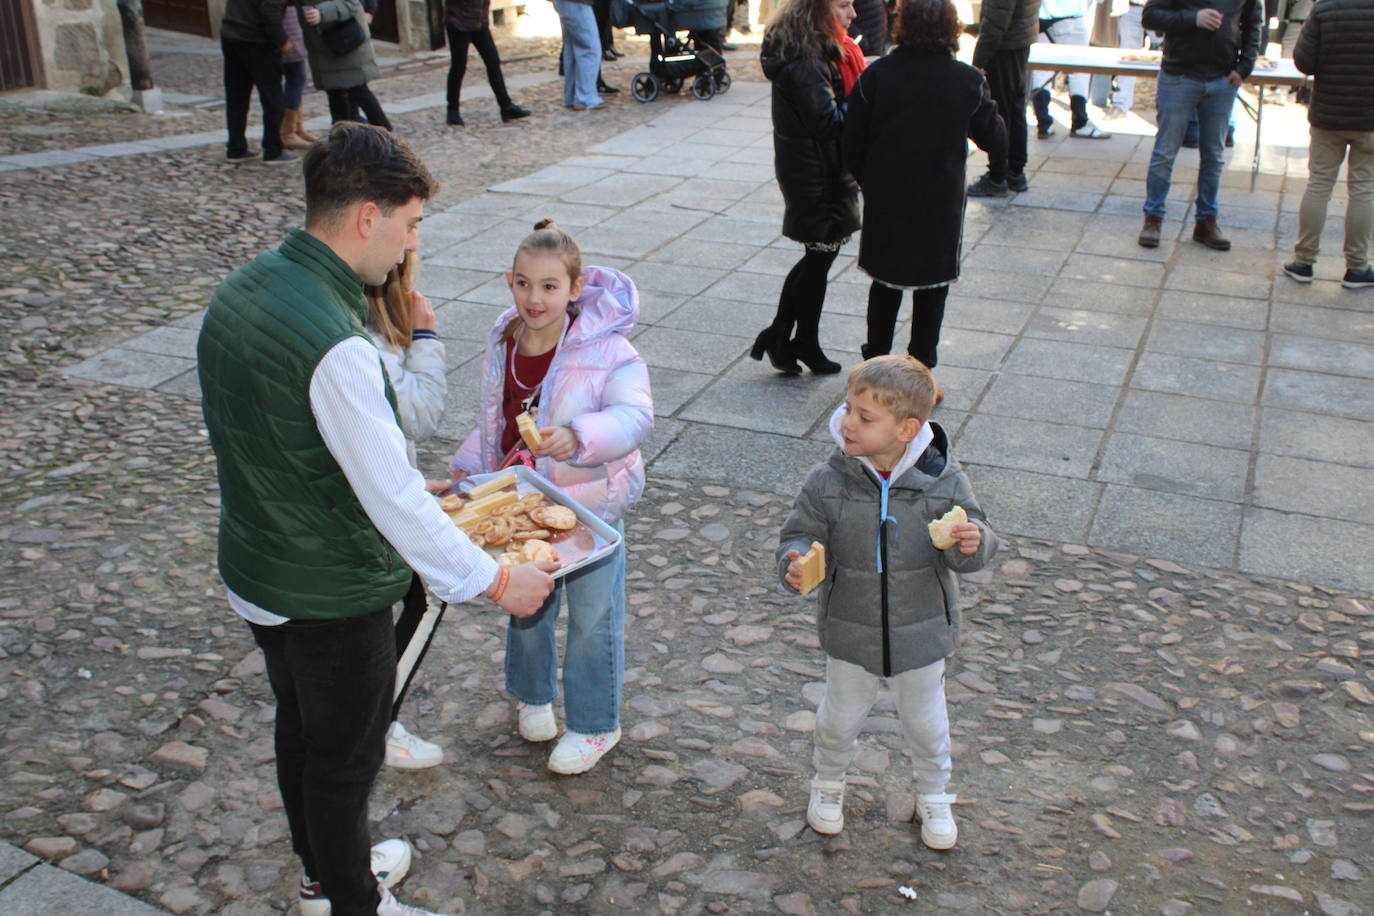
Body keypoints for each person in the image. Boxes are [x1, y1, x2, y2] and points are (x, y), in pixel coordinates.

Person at [197, 123, 556, 916]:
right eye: (411, 224)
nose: (408, 247)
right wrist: (497, 581)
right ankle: (351, 901)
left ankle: (327, 874)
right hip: (329, 592)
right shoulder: (337, 343)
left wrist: (389, 482)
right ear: (368, 216)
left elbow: (278, 440)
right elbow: (389, 496)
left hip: (260, 572)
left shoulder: (245, 288)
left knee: (302, 732)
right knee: (345, 760)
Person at [448, 220, 653, 775]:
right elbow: (494, 417)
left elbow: (635, 416)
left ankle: (593, 725)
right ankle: (532, 695)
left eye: (548, 286)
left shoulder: (610, 348)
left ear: (575, 287)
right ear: (508, 282)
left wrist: (581, 436)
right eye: (522, 283)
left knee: (593, 618)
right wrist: (467, 473)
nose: (534, 298)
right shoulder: (505, 337)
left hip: (588, 502)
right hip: (522, 503)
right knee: (528, 604)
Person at [776, 355, 998, 849]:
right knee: (839, 717)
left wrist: (972, 541)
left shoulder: (944, 481)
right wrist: (794, 561)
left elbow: (981, 537)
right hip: (849, 626)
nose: (847, 423)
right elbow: (798, 534)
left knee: (926, 723)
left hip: (922, 632)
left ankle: (934, 793)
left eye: (864, 417)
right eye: (848, 409)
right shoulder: (827, 480)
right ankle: (828, 782)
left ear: (907, 429)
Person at [843, 0, 1006, 383]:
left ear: (902, 25)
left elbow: (851, 140)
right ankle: (921, 373)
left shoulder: (878, 75)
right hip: (939, 198)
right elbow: (995, 139)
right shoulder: (966, 80)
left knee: (885, 282)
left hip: (887, 194)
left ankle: (874, 366)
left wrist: (869, 178)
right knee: (931, 286)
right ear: (952, 29)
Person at [359, 252, 451, 770]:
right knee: (429, 594)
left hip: (379, 488)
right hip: (371, 506)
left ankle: (372, 721)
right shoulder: (370, 332)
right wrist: (427, 339)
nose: (414, 242)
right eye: (412, 226)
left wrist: (411, 481)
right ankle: (378, 724)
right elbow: (416, 415)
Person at [750, 0, 865, 376]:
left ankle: (787, 337)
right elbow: (827, 123)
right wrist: (865, 97)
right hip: (815, 173)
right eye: (843, 5)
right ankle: (793, 338)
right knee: (819, 257)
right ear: (817, 9)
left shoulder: (812, 50)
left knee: (820, 257)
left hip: (817, 169)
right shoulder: (806, 59)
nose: (852, 14)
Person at [1136, 0, 1261, 251]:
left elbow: (1253, 24)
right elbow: (1150, 16)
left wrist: (1244, 67)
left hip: (1222, 78)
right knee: (1165, 152)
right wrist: (1193, 18)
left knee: (1214, 155)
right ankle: (1153, 218)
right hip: (1179, 75)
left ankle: (1206, 221)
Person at [1281, 0, 1374, 290]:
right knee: (1364, 187)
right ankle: (1357, 267)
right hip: (1370, 119)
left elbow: (1303, 62)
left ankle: (1304, 261)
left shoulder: (1324, 9)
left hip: (1328, 116)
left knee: (1319, 184)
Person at [967, 0, 1041, 196]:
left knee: (1002, 113)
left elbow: (997, 21)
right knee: (1014, 110)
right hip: (1017, 41)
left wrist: (978, 62)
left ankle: (999, 176)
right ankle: (1014, 172)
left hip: (1005, 45)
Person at [298, 0, 394, 131]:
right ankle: (342, 141)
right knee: (335, 94)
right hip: (322, 46)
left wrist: (322, 13)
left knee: (358, 89)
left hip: (344, 40)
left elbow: (351, 3)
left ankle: (387, 137)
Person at [221, 0, 296, 164]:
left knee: (236, 97)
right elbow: (270, 14)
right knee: (272, 99)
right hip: (256, 41)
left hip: (232, 35)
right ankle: (273, 150)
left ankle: (236, 148)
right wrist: (283, 41)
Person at [1028, 0, 1112, 139]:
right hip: (1067, 14)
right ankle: (1080, 123)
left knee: (1041, 70)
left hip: (1040, 14)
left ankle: (1044, 123)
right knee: (1079, 70)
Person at [444, 0, 532, 126]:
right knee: (458, 67)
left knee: (493, 62)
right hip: (459, 23)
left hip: (480, 23)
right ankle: (452, 110)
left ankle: (506, 106)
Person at [554, 0, 606, 110]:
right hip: (578, 3)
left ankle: (572, 96)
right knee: (590, 48)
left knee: (572, 48)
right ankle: (585, 98)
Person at [280, 2, 318, 149]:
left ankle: (296, 128)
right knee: (296, 79)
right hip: (290, 25)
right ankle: (288, 132)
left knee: (297, 79)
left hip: (293, 22)